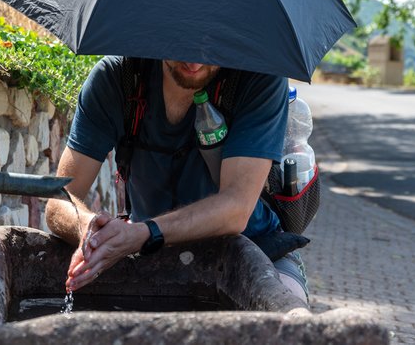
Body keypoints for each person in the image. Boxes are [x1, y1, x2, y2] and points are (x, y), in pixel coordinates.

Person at [45, 57, 309, 303]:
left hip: (256, 249)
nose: (194, 62)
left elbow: (236, 208)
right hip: (149, 253)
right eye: (182, 45)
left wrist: (145, 232)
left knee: (288, 319)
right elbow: (59, 200)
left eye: (210, 47)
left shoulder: (260, 78)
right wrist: (90, 232)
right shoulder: (119, 78)